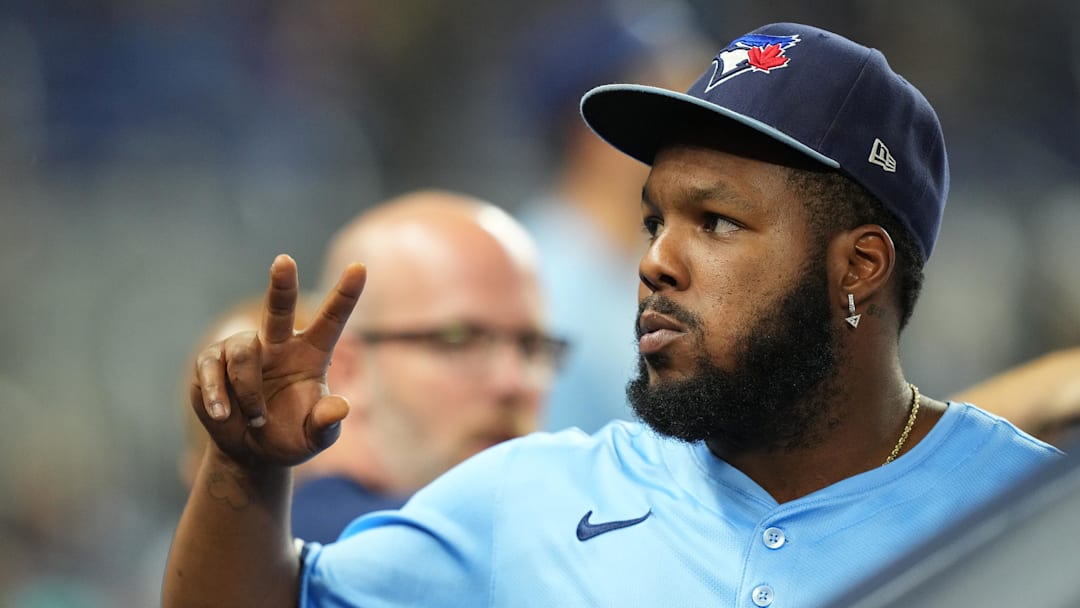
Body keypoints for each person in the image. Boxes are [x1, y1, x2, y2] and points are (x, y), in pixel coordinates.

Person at [164, 23, 1062, 607]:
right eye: (652, 218)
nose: (655, 262)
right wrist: (243, 475)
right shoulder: (534, 497)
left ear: (858, 266)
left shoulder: (1038, 520)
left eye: (715, 221)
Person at [284, 190, 565, 543]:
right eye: (459, 340)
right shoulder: (314, 563)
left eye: (531, 346)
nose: (512, 382)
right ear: (346, 369)